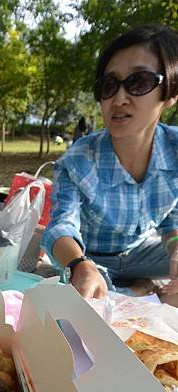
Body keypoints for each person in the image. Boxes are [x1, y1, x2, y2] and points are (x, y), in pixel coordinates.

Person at [41, 25, 178, 303]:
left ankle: (138, 290)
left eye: (138, 82)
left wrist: (176, 248)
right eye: (109, 85)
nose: (119, 99)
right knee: (88, 297)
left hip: (141, 254)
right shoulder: (79, 160)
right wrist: (80, 266)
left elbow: (170, 226)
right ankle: (140, 290)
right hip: (89, 257)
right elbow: (61, 226)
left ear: (170, 94)